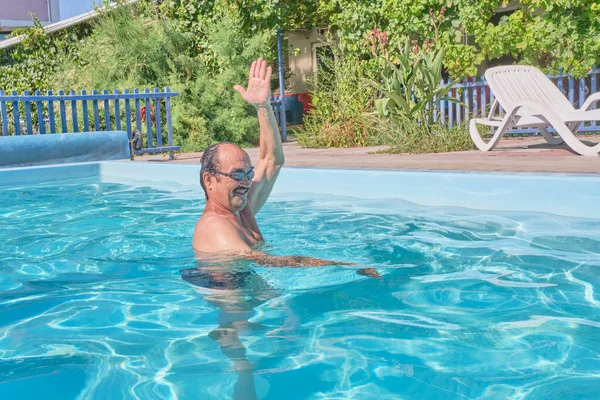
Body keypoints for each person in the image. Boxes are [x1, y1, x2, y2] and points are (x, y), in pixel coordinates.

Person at [192, 57, 379, 278]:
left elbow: (272, 160)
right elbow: (268, 262)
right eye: (236, 174)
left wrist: (262, 105)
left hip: (248, 288)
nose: (245, 181)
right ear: (209, 180)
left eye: (247, 173)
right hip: (232, 299)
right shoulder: (216, 227)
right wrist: (343, 266)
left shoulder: (240, 209)